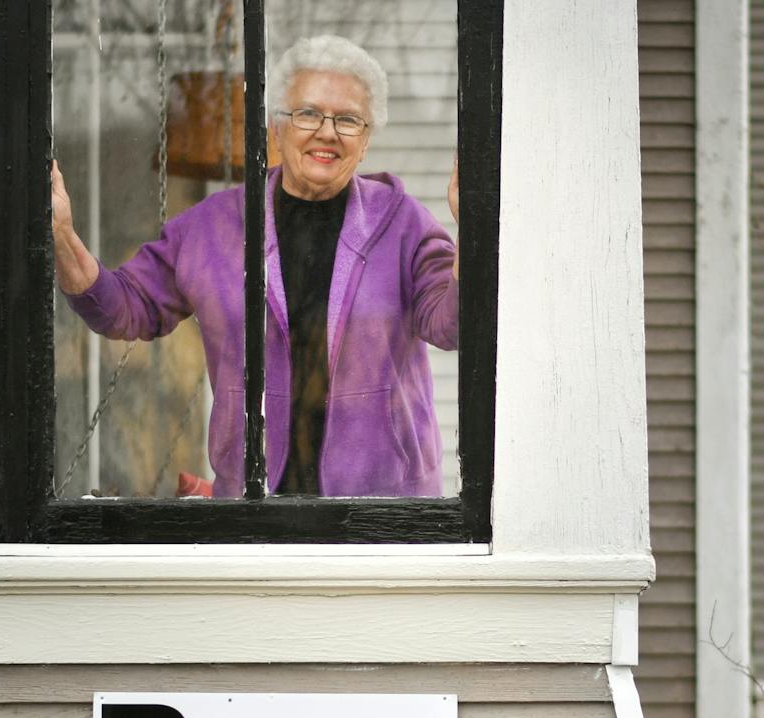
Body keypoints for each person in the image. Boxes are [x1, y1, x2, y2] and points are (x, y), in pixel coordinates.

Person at [53, 35, 460, 498]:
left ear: (365, 142)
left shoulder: (404, 224)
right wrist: (62, 237)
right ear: (276, 129)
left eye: (348, 119)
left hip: (384, 510)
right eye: (307, 113)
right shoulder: (212, 228)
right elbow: (122, 307)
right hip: (254, 507)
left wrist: (473, 226)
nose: (327, 132)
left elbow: (452, 325)